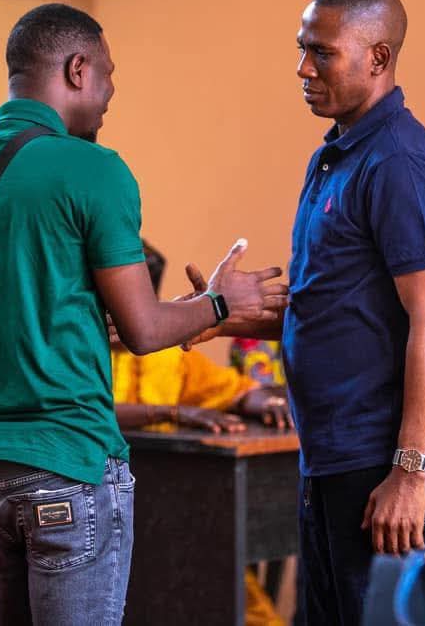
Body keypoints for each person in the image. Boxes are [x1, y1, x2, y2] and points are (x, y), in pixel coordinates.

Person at [0, 3, 286, 626]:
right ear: (78, 69)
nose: (110, 93)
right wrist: (222, 304)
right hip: (65, 462)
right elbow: (143, 331)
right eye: (108, 75)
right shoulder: (95, 170)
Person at [187, 0, 425, 624]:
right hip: (330, 452)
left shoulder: (397, 161)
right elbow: (329, 308)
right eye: (302, 48)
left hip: (378, 458)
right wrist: (212, 315)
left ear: (378, 57)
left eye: (322, 52)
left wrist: (409, 473)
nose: (303, 68)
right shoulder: (334, 157)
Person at [111, 242, 288, 626]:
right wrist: (171, 412)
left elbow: (233, 390)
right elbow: (83, 410)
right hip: (101, 513)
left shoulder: (164, 352)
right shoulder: (73, 348)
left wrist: (265, 402)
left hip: (166, 510)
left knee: (221, 579)